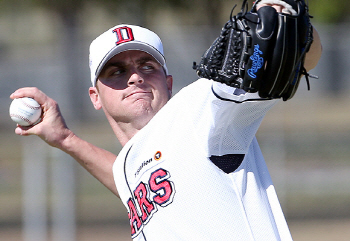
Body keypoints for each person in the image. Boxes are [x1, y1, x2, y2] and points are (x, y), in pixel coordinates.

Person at [10, 2, 322, 240]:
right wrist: (65, 138)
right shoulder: (132, 164)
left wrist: (289, 21)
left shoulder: (198, 111)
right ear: (95, 96)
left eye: (146, 65)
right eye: (116, 71)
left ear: (168, 82)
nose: (134, 77)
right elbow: (130, 181)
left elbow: (287, 56)